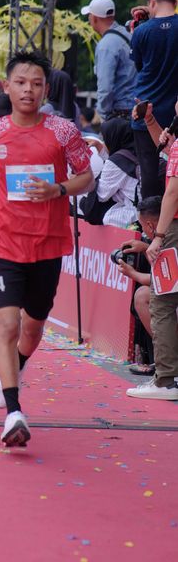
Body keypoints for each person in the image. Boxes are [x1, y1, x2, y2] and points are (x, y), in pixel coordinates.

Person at [0, 51, 94, 447]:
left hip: (48, 243)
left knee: (33, 326)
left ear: (46, 90)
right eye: (21, 82)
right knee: (8, 325)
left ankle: (19, 364)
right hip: (4, 242)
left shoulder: (63, 131)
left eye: (36, 84)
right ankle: (14, 413)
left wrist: (58, 189)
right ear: (7, 87)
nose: (29, 90)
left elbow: (86, 176)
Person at [126, 121, 178, 400]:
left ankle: (166, 380)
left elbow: (173, 192)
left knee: (162, 302)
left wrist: (158, 236)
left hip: (173, 230)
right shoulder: (174, 147)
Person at [130, 0, 178, 198]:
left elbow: (139, 66)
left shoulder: (141, 32)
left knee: (148, 174)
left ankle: (151, 217)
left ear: (151, 1)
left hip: (146, 108)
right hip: (174, 114)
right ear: (175, 0)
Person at [117, 196, 163, 376]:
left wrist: (132, 274)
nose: (142, 231)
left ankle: (169, 358)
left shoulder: (171, 238)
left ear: (150, 225)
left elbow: (164, 280)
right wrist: (145, 247)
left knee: (142, 295)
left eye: (142, 226)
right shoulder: (166, 234)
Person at [80, 0, 136, 121]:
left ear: (94, 18)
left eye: (89, 15)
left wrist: (103, 114)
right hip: (136, 109)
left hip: (121, 114)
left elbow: (105, 87)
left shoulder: (105, 45)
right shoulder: (128, 34)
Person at [96, 118, 139, 228]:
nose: (104, 143)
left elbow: (102, 195)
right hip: (155, 208)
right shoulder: (140, 150)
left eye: (105, 139)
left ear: (113, 138)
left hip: (136, 214)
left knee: (96, 211)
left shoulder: (116, 161)